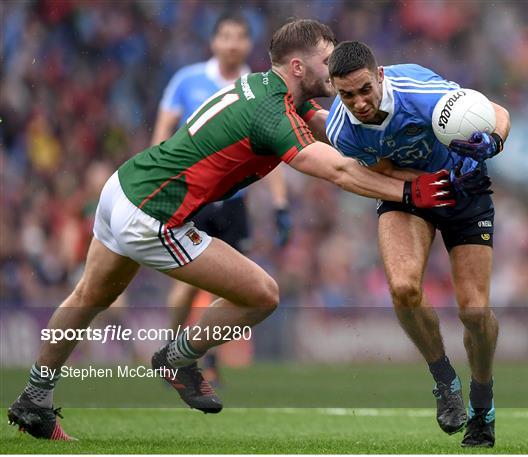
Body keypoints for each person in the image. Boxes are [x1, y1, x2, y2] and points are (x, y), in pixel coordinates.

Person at [8, 20, 461, 441]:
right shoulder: (271, 111)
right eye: (327, 58)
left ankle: (34, 397)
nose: (336, 63)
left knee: (88, 297)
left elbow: (334, 132)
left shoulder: (270, 90)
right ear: (298, 66)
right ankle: (178, 358)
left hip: (123, 188)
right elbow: (338, 171)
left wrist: (405, 153)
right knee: (262, 294)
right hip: (152, 213)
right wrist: (407, 194)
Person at [326, 41, 510, 448]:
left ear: (380, 76)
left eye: (363, 90)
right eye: (346, 95)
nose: (357, 103)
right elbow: (384, 172)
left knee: (475, 311)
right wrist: (423, 186)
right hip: (411, 196)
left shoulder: (422, 91)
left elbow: (498, 113)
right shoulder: (341, 130)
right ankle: (444, 381)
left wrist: (491, 144)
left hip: (467, 191)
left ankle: (483, 404)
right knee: (404, 288)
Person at [152, 13, 292, 384]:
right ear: (213, 42)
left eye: (239, 37)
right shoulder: (188, 80)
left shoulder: (259, 87)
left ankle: (202, 356)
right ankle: (171, 347)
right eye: (225, 36)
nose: (231, 44)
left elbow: (271, 153)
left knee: (229, 284)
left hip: (233, 203)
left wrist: (280, 204)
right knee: (186, 282)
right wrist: (161, 180)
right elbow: (163, 133)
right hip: (192, 197)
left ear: (249, 44)